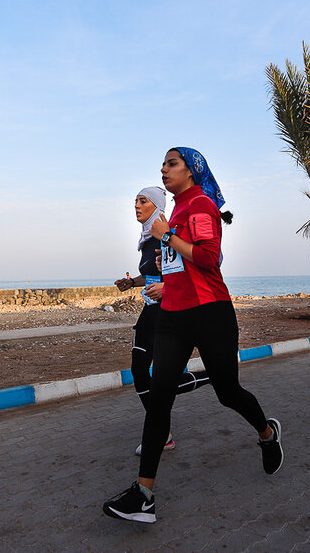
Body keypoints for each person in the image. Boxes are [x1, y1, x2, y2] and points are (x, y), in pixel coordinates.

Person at [103, 147, 282, 524]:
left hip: (210, 312)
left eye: (172, 164)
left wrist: (167, 237)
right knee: (159, 396)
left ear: (191, 170)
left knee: (227, 391)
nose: (164, 169)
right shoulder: (176, 211)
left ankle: (267, 434)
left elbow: (208, 258)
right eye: (163, 164)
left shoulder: (200, 206)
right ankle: (144, 494)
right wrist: (163, 279)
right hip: (172, 314)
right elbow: (179, 266)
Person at [114, 186, 210, 455]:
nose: (136, 205)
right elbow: (154, 274)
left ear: (156, 205)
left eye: (142, 201)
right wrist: (132, 282)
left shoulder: (165, 233)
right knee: (140, 370)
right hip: (151, 309)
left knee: (160, 378)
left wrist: (166, 288)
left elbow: (183, 272)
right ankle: (163, 432)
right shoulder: (147, 237)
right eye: (134, 200)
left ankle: (212, 378)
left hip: (169, 310)